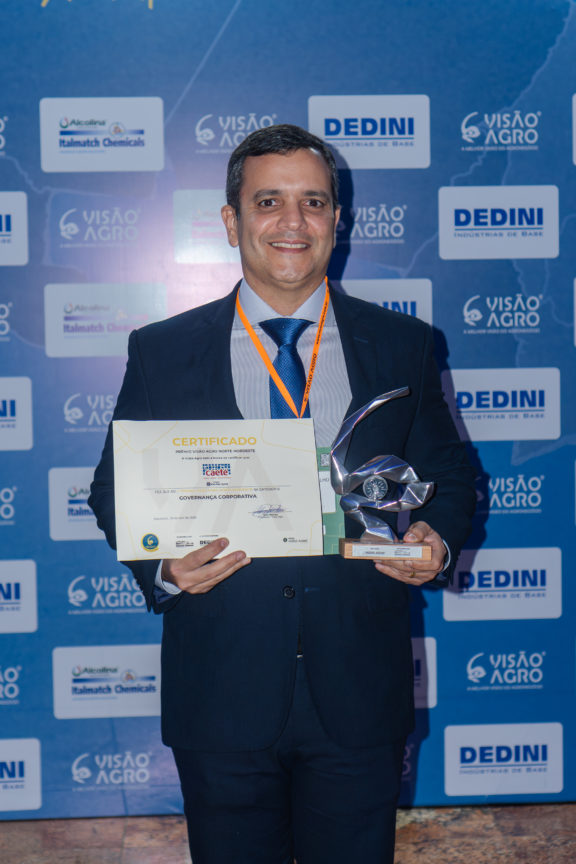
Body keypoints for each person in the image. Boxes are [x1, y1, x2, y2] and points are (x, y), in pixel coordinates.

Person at [89, 123, 476, 864]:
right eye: (269, 201)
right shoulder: (164, 349)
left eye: (314, 202)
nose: (293, 222)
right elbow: (113, 486)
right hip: (220, 684)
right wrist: (162, 568)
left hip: (359, 685)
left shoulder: (402, 344)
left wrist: (438, 535)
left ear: (337, 218)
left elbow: (450, 475)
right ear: (231, 220)